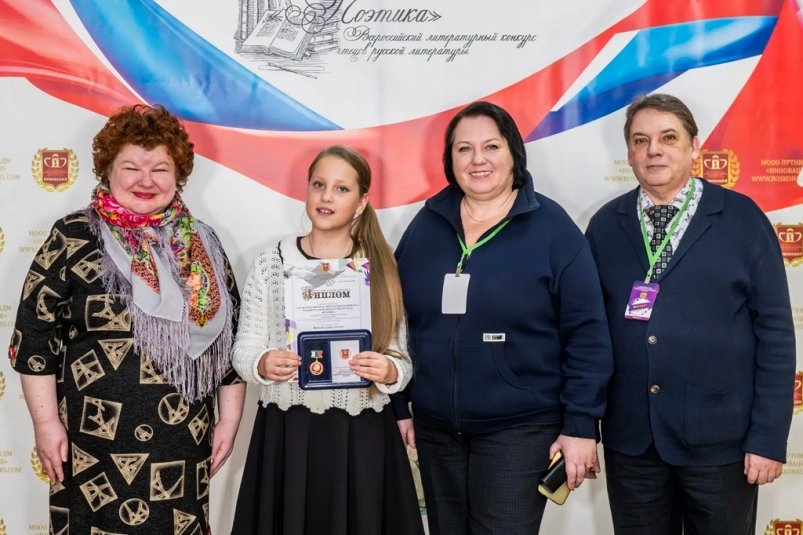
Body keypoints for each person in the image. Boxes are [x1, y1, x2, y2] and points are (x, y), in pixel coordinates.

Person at [9, 104, 245, 533]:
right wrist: (45, 424)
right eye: (131, 167)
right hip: (91, 445)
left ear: (179, 175)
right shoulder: (73, 236)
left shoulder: (204, 244)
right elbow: (34, 340)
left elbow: (229, 343)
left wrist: (229, 420)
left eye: (160, 169)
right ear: (108, 171)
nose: (146, 181)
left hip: (183, 444)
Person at [392, 101, 614, 534]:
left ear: (514, 153)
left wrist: (580, 425)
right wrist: (401, 405)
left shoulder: (552, 229)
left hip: (520, 430)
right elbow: (396, 321)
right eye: (464, 149)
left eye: (491, 146)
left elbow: (587, 334)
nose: (478, 159)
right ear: (450, 159)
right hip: (436, 431)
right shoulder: (427, 224)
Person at [585, 93, 796, 534]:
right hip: (633, 443)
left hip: (721, 444)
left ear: (694, 146)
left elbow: (776, 333)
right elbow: (588, 337)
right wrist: (583, 424)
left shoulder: (741, 219)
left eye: (668, 138)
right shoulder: (605, 225)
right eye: (640, 140)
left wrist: (768, 437)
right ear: (629, 153)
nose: (653, 150)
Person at [230, 145, 424, 535]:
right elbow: (243, 349)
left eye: (341, 189)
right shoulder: (271, 262)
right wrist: (262, 362)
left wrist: (388, 370)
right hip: (288, 430)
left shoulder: (381, 266)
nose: (327, 197)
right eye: (319, 185)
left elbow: (401, 360)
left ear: (361, 201)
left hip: (364, 433)